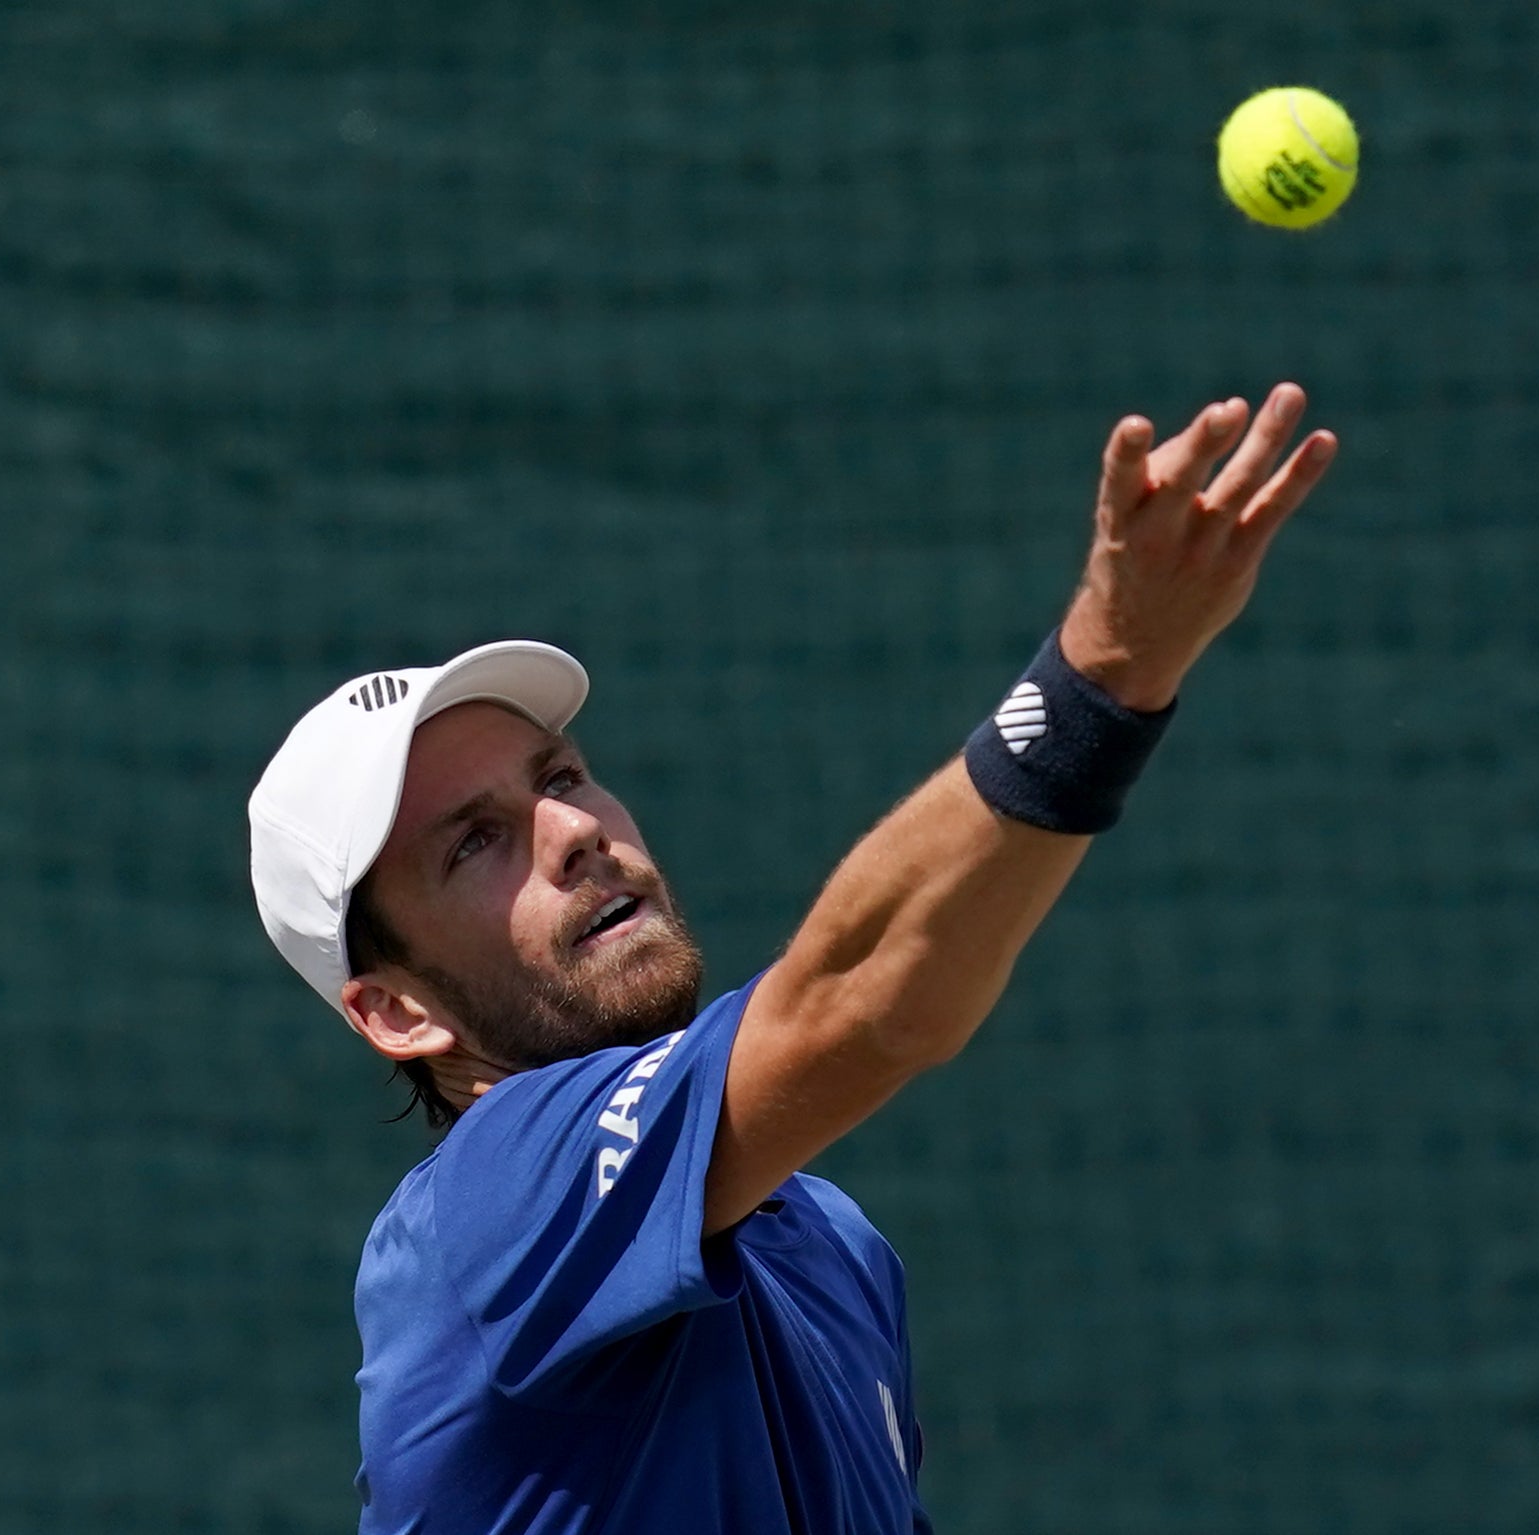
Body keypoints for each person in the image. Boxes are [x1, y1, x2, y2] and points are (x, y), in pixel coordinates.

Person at [248, 384, 1337, 1534]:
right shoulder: (489, 1210)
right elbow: (858, 1005)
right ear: (397, 1010)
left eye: (560, 778)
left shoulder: (828, 1240)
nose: (571, 832)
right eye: (474, 843)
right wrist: (1102, 677)